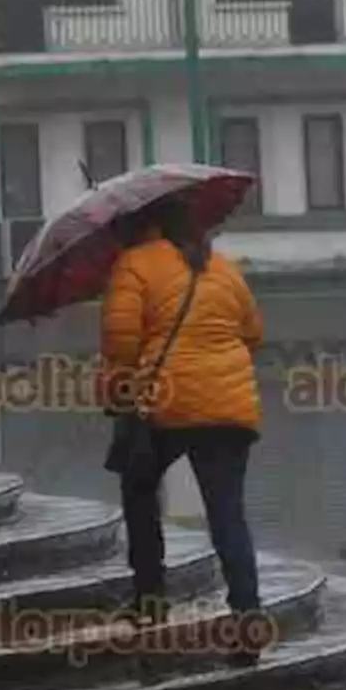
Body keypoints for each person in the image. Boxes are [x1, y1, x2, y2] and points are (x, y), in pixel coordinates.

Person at [100, 195, 265, 665]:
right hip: (231, 407)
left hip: (166, 400)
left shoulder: (135, 264)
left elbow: (121, 342)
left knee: (138, 486)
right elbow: (253, 333)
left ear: (140, 225)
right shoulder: (222, 266)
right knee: (228, 514)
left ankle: (151, 599)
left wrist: (118, 396)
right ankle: (248, 619)